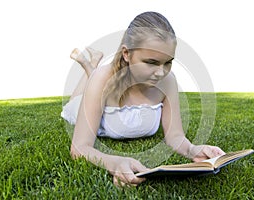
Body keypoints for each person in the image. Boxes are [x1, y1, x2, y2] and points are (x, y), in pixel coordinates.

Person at [61, 11, 225, 187]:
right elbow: (79, 148)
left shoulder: (168, 81)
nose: (161, 72)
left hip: (100, 85)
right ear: (126, 54)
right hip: (84, 102)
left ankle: (90, 67)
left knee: (95, 77)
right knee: (75, 102)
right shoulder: (103, 79)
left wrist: (193, 149)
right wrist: (113, 162)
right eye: (151, 62)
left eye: (168, 62)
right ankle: (90, 67)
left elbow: (175, 136)